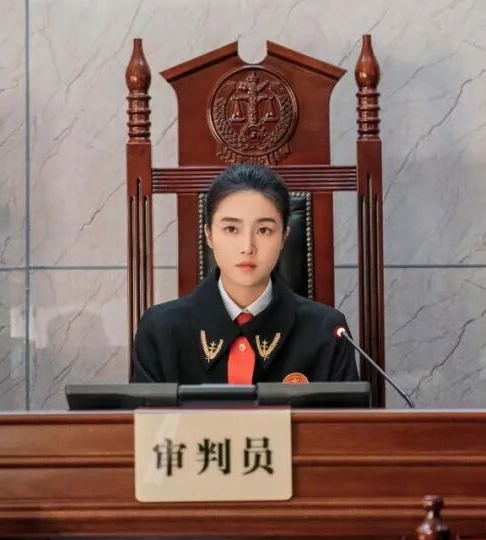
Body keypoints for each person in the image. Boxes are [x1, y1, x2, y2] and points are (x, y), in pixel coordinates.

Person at [131, 164, 359, 384]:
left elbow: (347, 412)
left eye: (264, 230)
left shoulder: (329, 332)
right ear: (209, 235)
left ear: (284, 238)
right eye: (231, 229)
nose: (247, 247)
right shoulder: (160, 331)